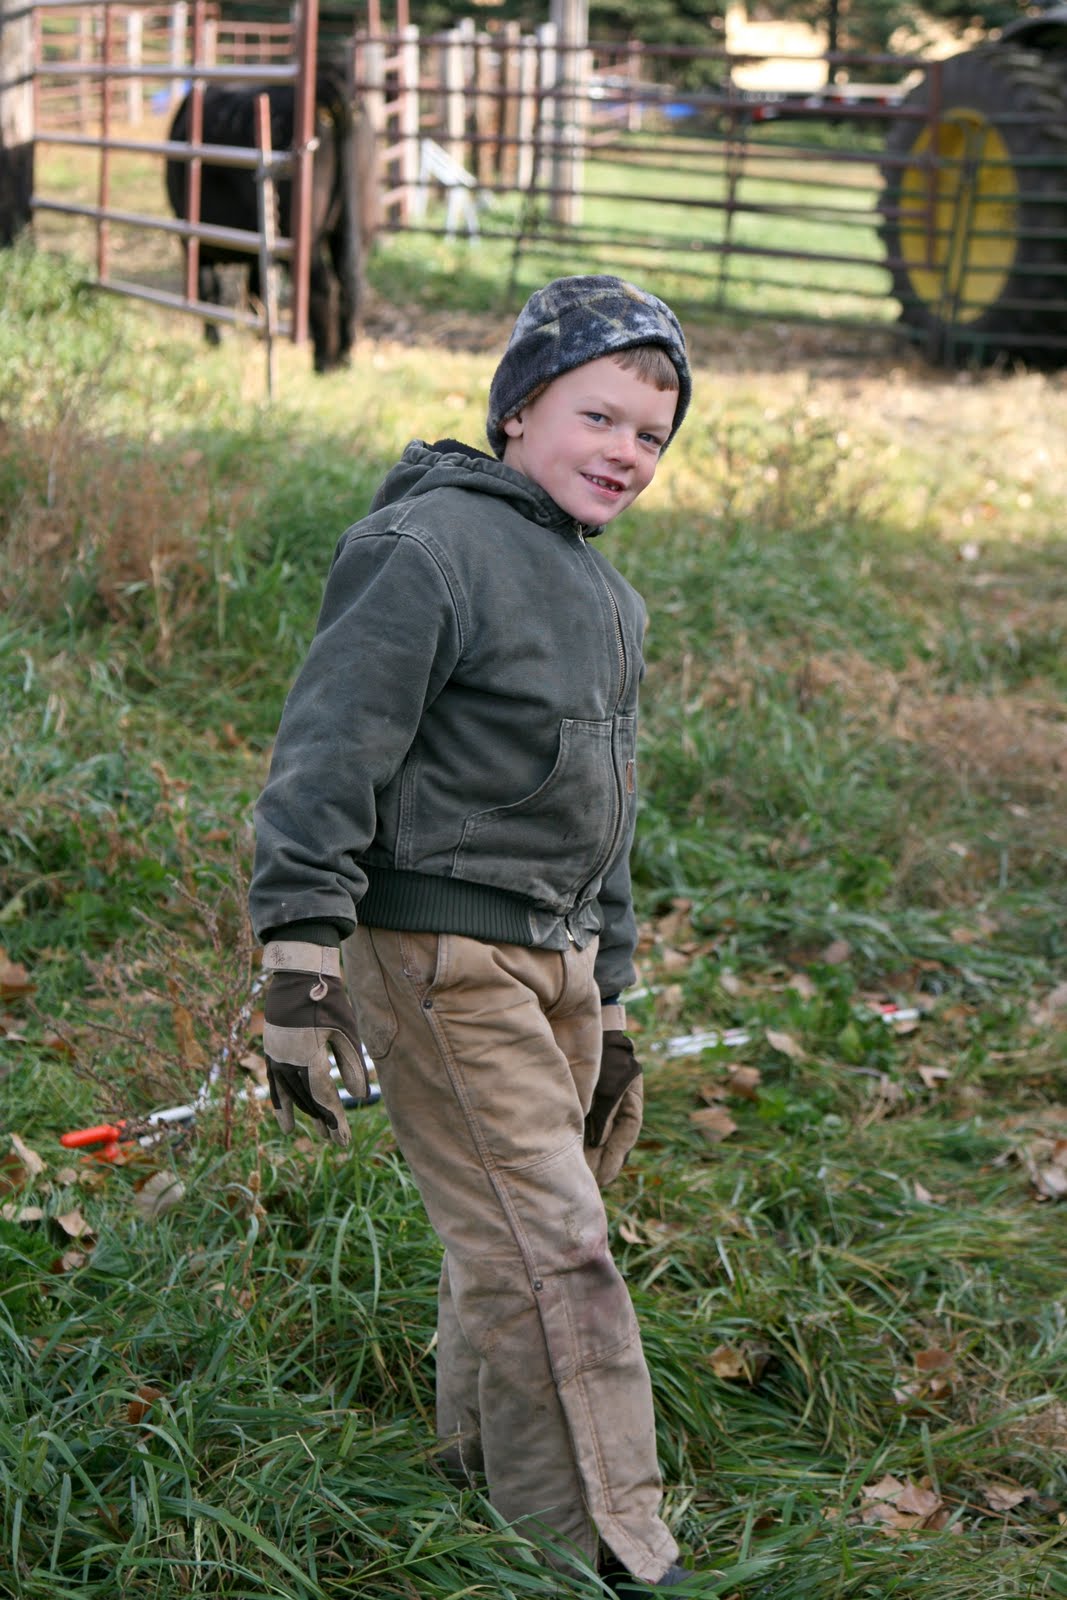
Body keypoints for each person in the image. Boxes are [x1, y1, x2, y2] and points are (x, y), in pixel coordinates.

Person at [249, 275, 704, 1594]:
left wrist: (613, 995)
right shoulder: (430, 546)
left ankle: (477, 1469)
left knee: (508, 1227)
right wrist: (300, 953)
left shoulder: (608, 600)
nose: (625, 452)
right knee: (557, 1249)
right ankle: (606, 1547)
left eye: (652, 436)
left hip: (559, 959)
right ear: (517, 411)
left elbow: (605, 812)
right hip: (440, 960)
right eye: (597, 416)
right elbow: (329, 749)